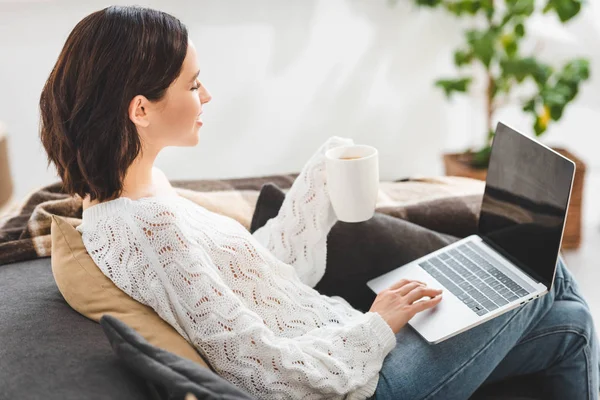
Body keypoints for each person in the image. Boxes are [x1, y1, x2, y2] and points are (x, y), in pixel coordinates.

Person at [39, 5, 599, 400]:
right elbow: (260, 370)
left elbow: (261, 275)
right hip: (353, 383)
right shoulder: (147, 227)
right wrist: (377, 328)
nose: (205, 95)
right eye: (191, 85)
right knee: (536, 268)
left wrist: (321, 178)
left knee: (571, 325)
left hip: (342, 341)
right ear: (140, 109)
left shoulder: (137, 194)